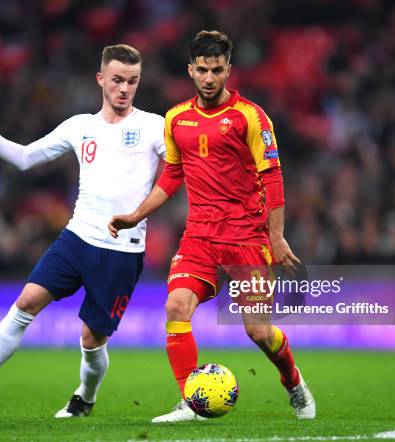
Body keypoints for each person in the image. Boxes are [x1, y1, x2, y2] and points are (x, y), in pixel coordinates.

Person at [0, 44, 166, 417]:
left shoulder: (154, 126)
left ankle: (85, 398)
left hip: (122, 250)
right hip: (76, 238)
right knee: (25, 302)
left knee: (92, 341)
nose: (124, 88)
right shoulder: (80, 127)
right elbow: (26, 158)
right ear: (100, 79)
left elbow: (182, 170)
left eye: (133, 81)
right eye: (118, 80)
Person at [109, 31, 316, 422]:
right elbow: (171, 176)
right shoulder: (177, 119)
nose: (209, 78)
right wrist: (136, 215)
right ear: (190, 70)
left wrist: (276, 236)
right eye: (202, 70)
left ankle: (293, 381)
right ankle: (189, 401)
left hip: (248, 239)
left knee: (258, 331)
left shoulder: (250, 117)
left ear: (228, 70)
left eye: (217, 70)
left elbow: (272, 176)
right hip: (200, 237)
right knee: (176, 306)